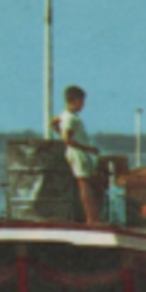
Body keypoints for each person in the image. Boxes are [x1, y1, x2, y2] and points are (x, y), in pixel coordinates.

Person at [51, 85, 100, 225]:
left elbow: (53, 122)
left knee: (86, 183)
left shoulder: (64, 115)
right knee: (84, 185)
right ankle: (91, 218)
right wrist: (89, 148)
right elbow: (67, 139)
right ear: (75, 100)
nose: (83, 105)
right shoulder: (71, 118)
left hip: (76, 152)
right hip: (78, 153)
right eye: (82, 101)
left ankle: (92, 216)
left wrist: (59, 131)